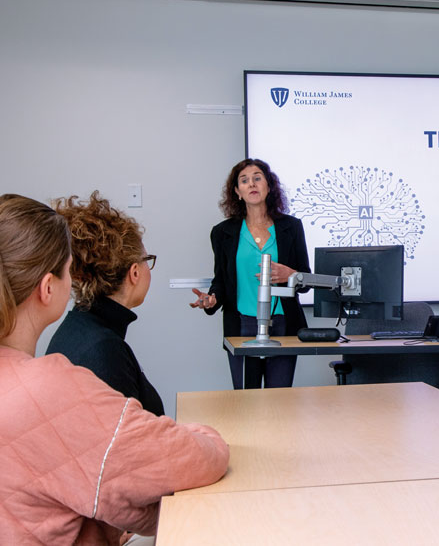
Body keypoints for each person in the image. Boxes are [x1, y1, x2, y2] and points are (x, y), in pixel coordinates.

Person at [0, 194, 229, 545]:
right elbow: (196, 461)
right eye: (66, 268)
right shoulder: (53, 383)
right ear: (48, 288)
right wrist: (204, 433)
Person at [191, 159, 310, 389]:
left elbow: (305, 280)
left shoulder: (291, 227)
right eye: (244, 180)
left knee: (280, 401)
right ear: (237, 191)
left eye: (257, 178)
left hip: (283, 325)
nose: (251, 184)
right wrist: (211, 299)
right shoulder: (222, 232)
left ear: (268, 186)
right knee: (247, 401)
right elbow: (222, 281)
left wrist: (290, 274)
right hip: (242, 326)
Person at [46, 192, 164, 416]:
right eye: (147, 260)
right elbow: (125, 446)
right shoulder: (104, 349)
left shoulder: (78, 327)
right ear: (135, 272)